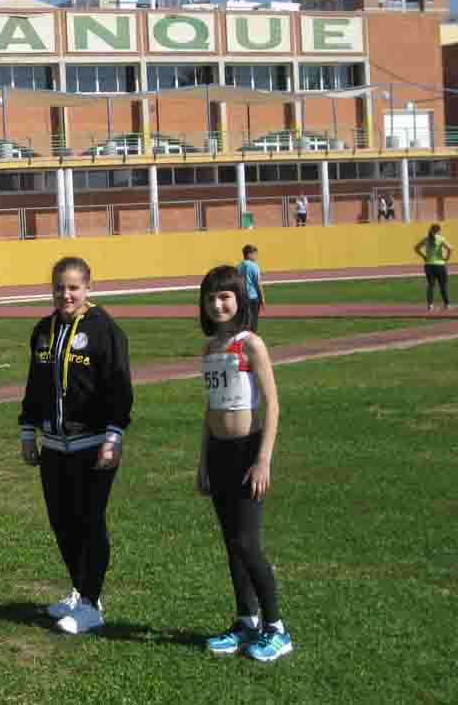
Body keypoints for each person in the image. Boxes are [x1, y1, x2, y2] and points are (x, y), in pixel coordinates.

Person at [19, 257, 134, 635]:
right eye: (58, 287)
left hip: (95, 443)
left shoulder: (105, 330)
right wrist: (27, 432)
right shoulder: (42, 330)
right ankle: (83, 592)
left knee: (89, 520)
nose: (65, 295)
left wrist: (114, 436)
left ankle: (89, 603)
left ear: (88, 287)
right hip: (54, 446)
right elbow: (35, 386)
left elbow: (120, 388)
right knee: (62, 522)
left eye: (73, 287)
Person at [198, 265, 292, 662]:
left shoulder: (250, 344)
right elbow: (210, 409)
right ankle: (245, 620)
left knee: (247, 542)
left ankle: (276, 629)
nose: (218, 304)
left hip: (246, 452)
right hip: (219, 453)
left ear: (239, 300)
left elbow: (272, 405)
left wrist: (263, 460)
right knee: (231, 543)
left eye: (225, 297)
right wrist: (202, 461)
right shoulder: (210, 349)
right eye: (211, 297)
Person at [415, 224, 452, 312]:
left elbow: (416, 248)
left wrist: (423, 256)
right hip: (440, 265)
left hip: (429, 265)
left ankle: (430, 305)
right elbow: (450, 249)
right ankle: (447, 304)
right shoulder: (441, 238)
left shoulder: (426, 238)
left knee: (431, 286)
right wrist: (447, 258)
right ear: (438, 231)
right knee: (443, 286)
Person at [237, 245, 265, 332]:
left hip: (242, 297)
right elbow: (258, 284)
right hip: (252, 297)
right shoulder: (253, 266)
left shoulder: (239, 266)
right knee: (253, 321)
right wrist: (262, 298)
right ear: (249, 254)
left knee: (244, 320)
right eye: (255, 254)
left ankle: (243, 339)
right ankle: (252, 340)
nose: (256, 256)